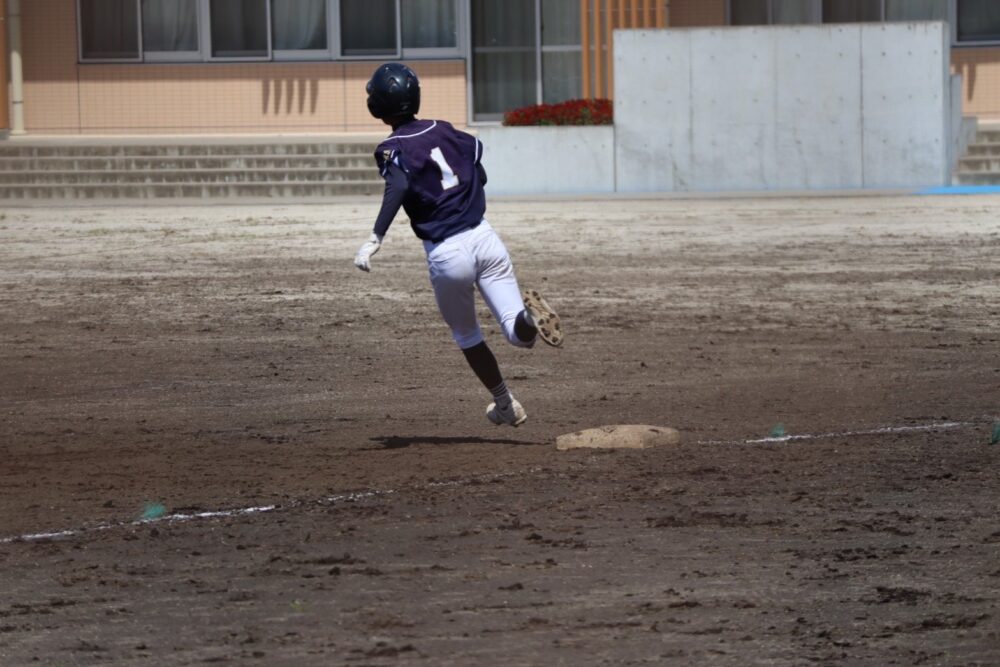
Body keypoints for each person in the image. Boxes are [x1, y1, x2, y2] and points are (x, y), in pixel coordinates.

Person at [353, 62, 563, 427]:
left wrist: (376, 237)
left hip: (448, 253)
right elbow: (478, 171)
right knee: (518, 334)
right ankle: (530, 318)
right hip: (485, 238)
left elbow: (399, 186)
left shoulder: (390, 146)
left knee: (467, 335)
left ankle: (505, 405)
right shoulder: (444, 129)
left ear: (379, 105)